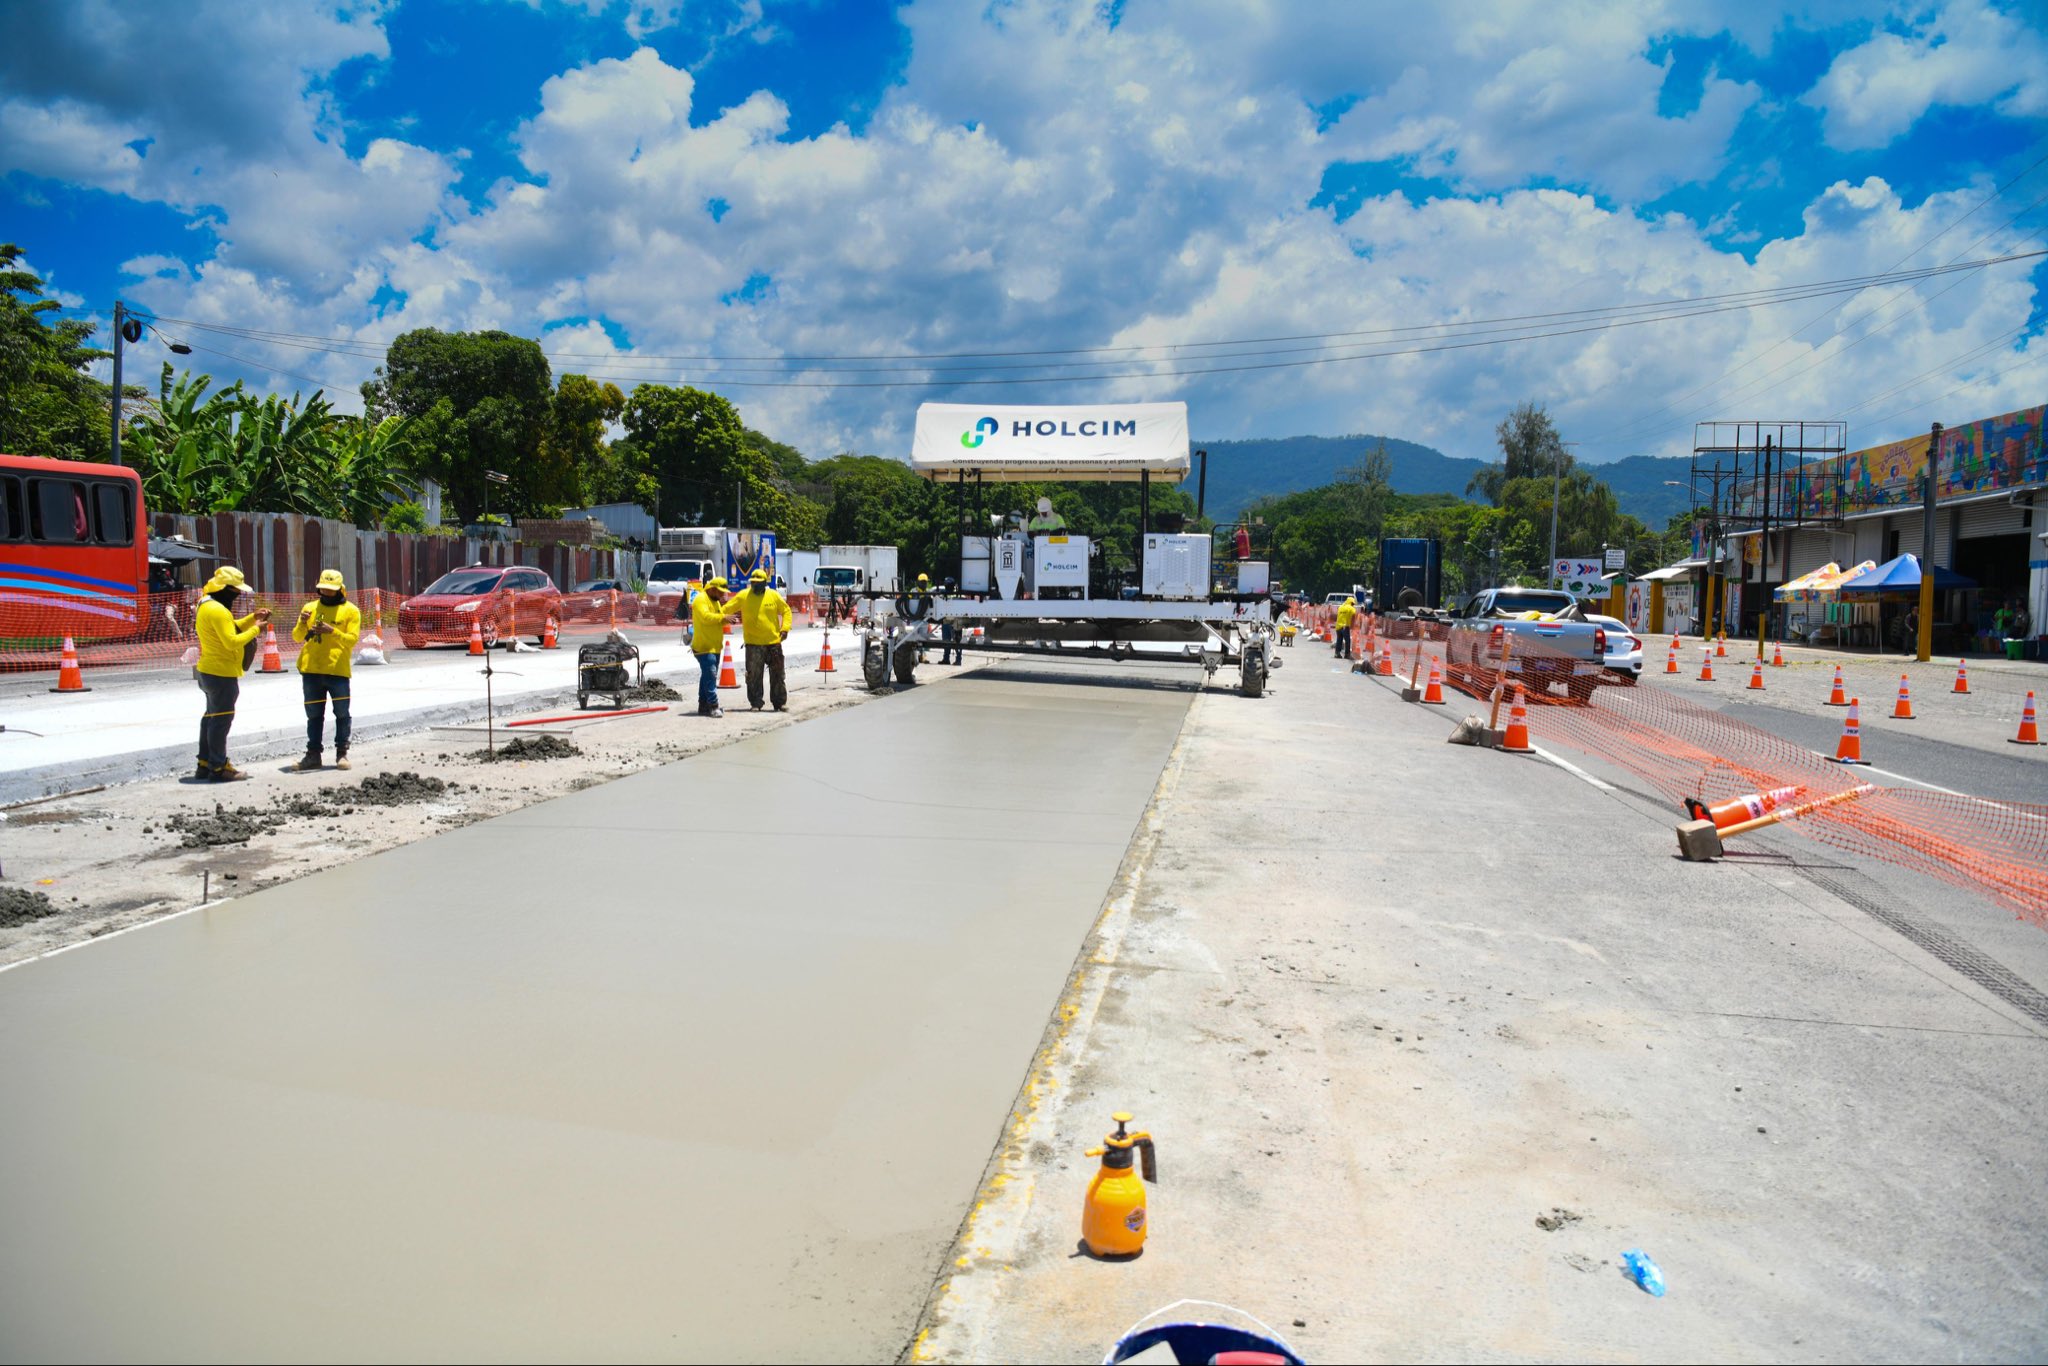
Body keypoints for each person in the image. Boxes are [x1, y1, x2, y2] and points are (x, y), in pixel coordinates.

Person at [192, 566, 269, 782]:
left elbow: (230, 627)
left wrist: (252, 618)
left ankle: (204, 764)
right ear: (225, 588)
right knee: (221, 721)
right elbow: (231, 641)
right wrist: (256, 629)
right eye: (235, 591)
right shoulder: (218, 610)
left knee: (210, 718)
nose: (237, 595)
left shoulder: (206, 604)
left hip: (208, 671)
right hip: (221, 674)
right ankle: (218, 767)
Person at [291, 569, 361, 772]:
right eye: (323, 589)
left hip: (337, 670)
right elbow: (297, 637)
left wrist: (333, 631)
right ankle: (313, 755)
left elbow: (352, 640)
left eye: (331, 590)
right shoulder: (311, 608)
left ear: (340, 589)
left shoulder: (350, 611)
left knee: (341, 713)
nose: (327, 593)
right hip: (311, 669)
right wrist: (304, 623)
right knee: (314, 715)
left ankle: (342, 754)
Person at [735, 567, 794, 711]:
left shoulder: (773, 595)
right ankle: (756, 703)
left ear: (764, 582)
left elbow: (786, 611)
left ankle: (779, 703)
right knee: (753, 675)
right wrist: (717, 616)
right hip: (753, 644)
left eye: (758, 582)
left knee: (778, 674)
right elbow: (726, 609)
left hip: (773, 643)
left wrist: (785, 628)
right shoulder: (743, 596)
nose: (755, 585)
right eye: (753, 582)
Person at [687, 576, 743, 717]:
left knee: (706, 676)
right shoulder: (700, 600)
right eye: (720, 592)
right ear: (712, 589)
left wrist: (726, 619)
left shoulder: (715, 601)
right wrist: (723, 618)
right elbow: (706, 618)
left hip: (714, 646)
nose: (723, 595)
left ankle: (703, 706)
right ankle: (713, 706)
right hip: (704, 647)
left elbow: (717, 620)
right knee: (711, 675)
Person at [1334, 595, 1357, 659]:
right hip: (1345, 626)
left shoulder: (1341, 607)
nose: (1353, 605)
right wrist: (1352, 627)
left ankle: (1337, 653)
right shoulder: (1351, 608)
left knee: (1339, 640)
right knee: (1347, 640)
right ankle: (1347, 654)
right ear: (1351, 603)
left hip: (1338, 626)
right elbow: (1353, 617)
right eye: (1353, 604)